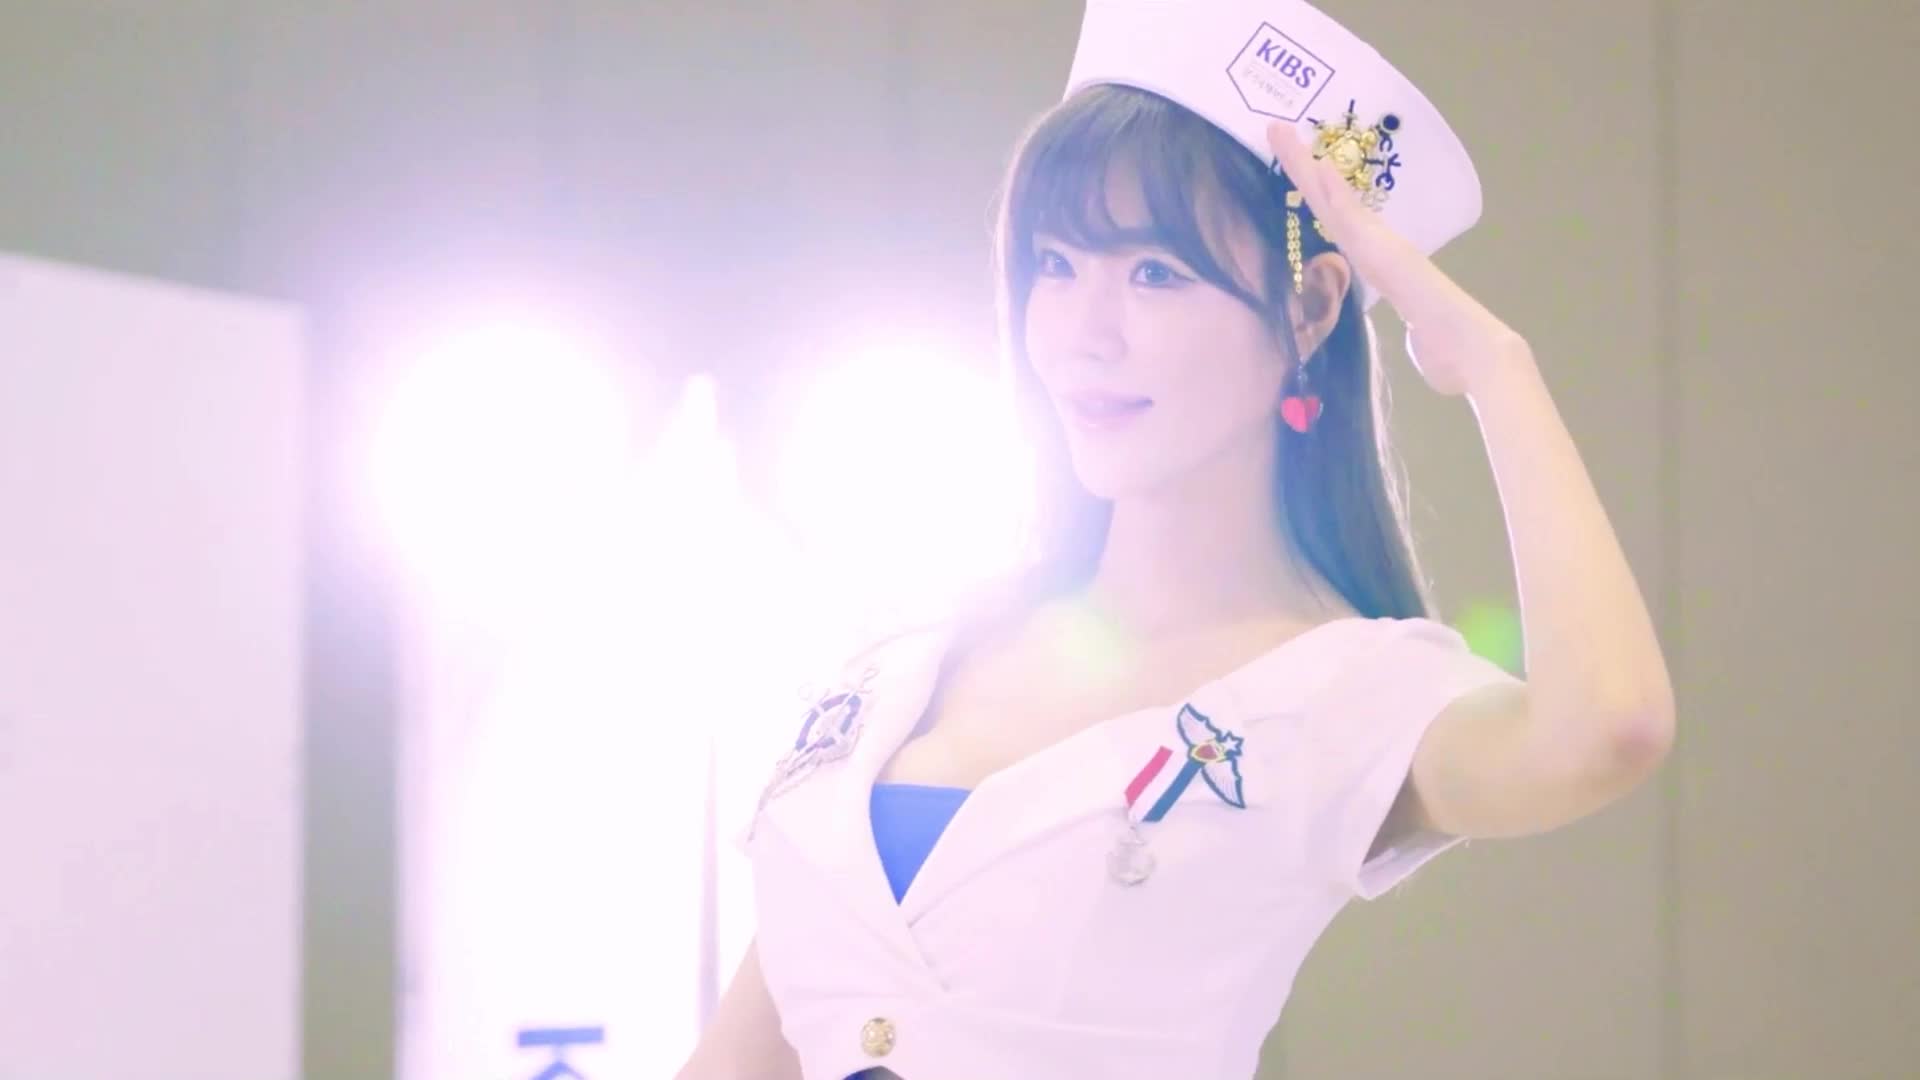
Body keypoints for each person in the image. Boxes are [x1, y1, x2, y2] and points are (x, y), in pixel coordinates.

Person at [677, 0, 1676, 1077]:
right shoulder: (905, 664)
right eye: (1056, 263)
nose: (1083, 333)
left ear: (1308, 312)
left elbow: (1607, 730)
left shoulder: (1350, 694)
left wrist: (1493, 366)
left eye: (1155, 272)